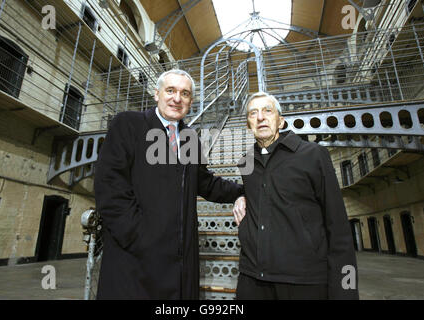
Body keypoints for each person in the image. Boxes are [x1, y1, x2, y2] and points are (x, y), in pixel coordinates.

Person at [94, 69, 244, 299]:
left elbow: (206, 183)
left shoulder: (191, 138)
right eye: (171, 90)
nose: (177, 98)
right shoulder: (128, 124)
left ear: (191, 102)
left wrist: (245, 191)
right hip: (134, 260)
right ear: (157, 94)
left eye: (184, 94)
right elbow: (110, 185)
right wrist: (138, 236)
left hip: (179, 263)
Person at [232, 91, 359, 300]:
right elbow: (262, 191)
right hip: (252, 279)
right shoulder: (246, 163)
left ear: (280, 121)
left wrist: (346, 292)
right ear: (248, 124)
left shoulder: (313, 155)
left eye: (267, 111)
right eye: (253, 113)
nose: (261, 117)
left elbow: (338, 228)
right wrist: (240, 195)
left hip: (304, 281)